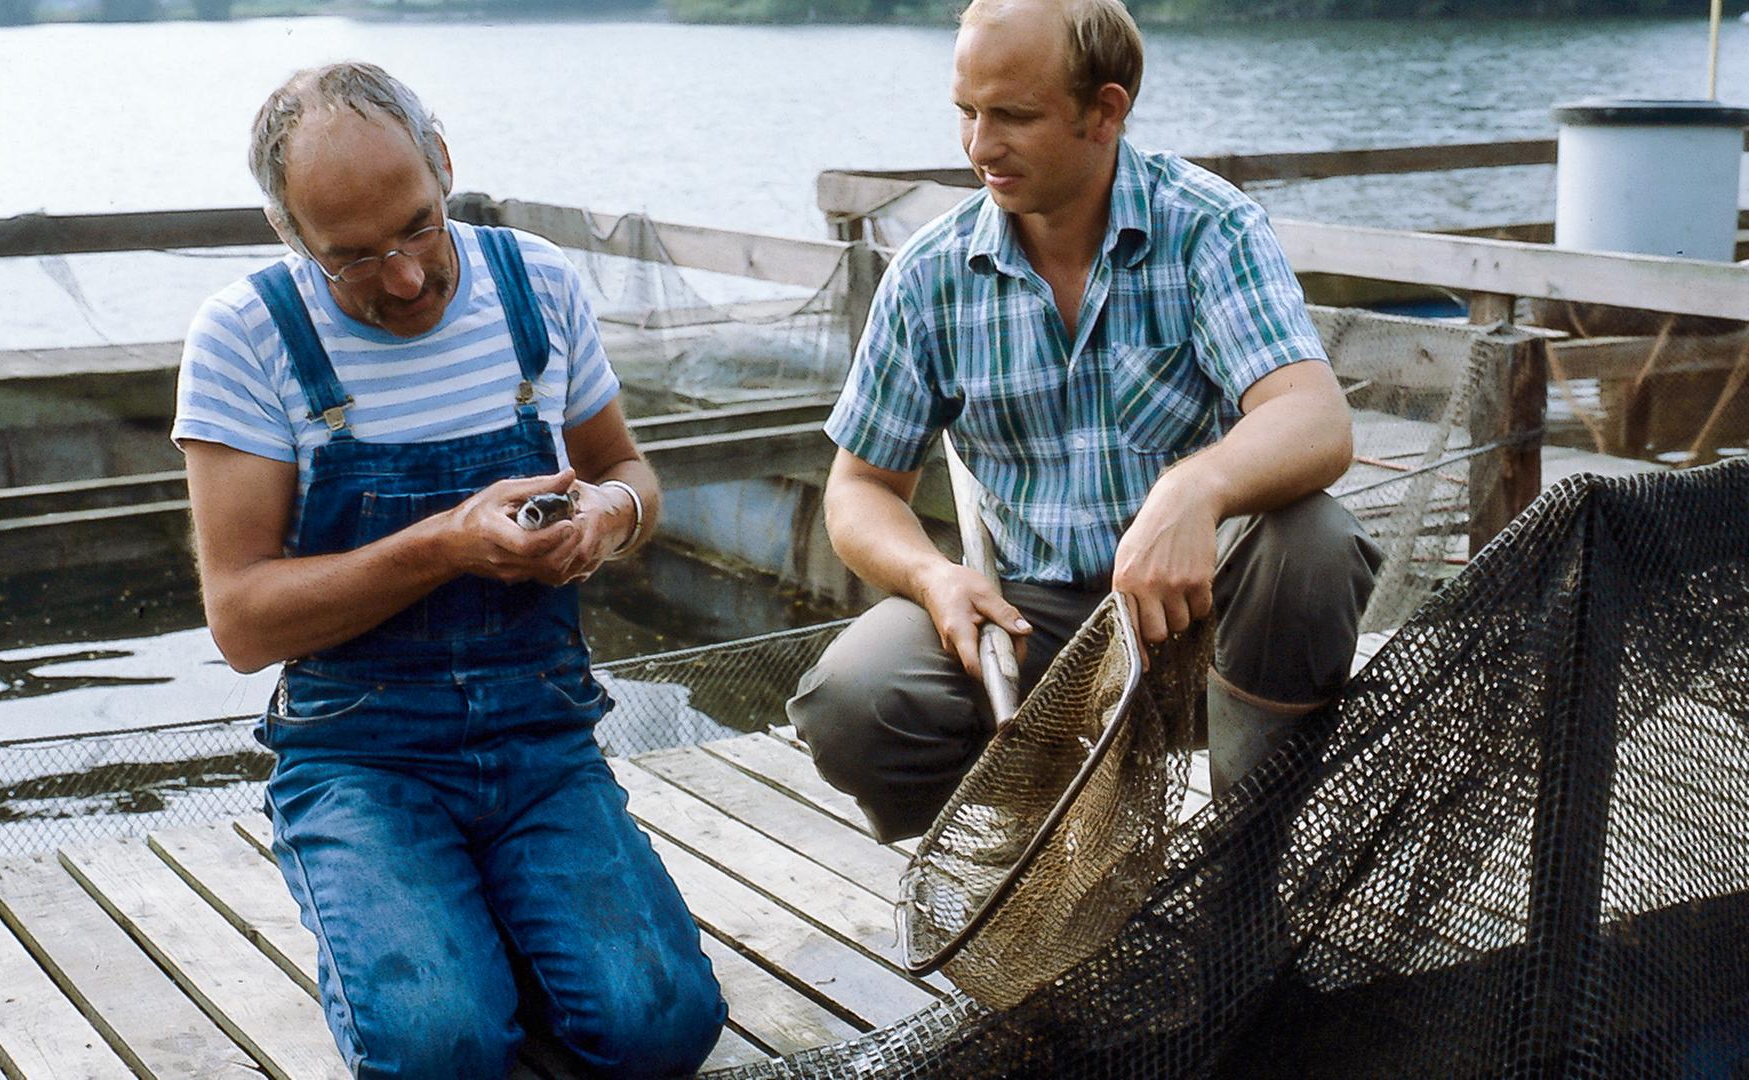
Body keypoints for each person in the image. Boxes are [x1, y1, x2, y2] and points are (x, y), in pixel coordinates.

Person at [172, 62, 724, 1079]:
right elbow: (242, 622)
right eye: (351, 257)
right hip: (360, 758)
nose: (405, 279)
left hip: (543, 737)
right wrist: (444, 545)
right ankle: (435, 929)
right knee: (438, 1049)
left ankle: (491, 921)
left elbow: (628, 474)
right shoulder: (246, 338)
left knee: (664, 1027)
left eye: (419, 226)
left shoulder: (538, 286)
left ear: (445, 163)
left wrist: (610, 515)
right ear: (286, 232)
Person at [787, 0, 1383, 843]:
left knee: (1314, 541)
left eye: (1014, 117)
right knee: (851, 702)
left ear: (1106, 110)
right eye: (967, 111)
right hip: (1035, 621)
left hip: (1203, 607)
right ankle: (1048, 841)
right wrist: (935, 577)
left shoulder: (1209, 228)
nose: (979, 147)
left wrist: (1194, 494)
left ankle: (1249, 859)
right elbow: (859, 489)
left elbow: (1315, 419)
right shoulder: (928, 275)